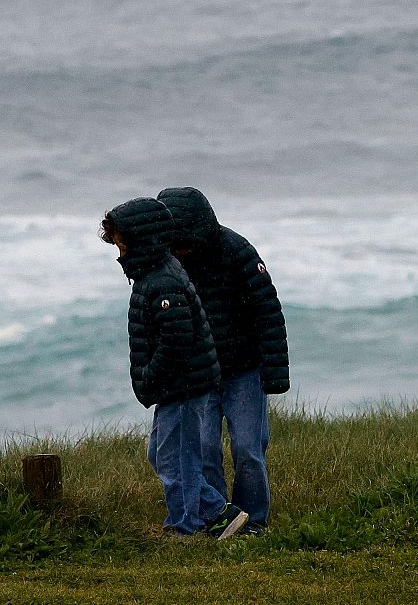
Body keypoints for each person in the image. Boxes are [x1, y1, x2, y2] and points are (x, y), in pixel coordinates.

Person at [100, 197, 247, 539]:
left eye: (122, 245)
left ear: (143, 241)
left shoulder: (162, 281)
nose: (119, 255)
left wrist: (152, 377)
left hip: (182, 387)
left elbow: (177, 338)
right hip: (180, 386)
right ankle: (218, 511)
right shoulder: (153, 275)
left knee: (175, 459)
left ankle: (185, 526)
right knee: (161, 455)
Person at [157, 187, 288, 535]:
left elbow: (267, 311)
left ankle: (254, 520)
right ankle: (218, 520)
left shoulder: (236, 250)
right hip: (201, 376)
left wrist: (274, 374)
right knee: (205, 449)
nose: (181, 251)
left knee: (248, 448)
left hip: (245, 370)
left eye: (184, 243)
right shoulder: (165, 263)